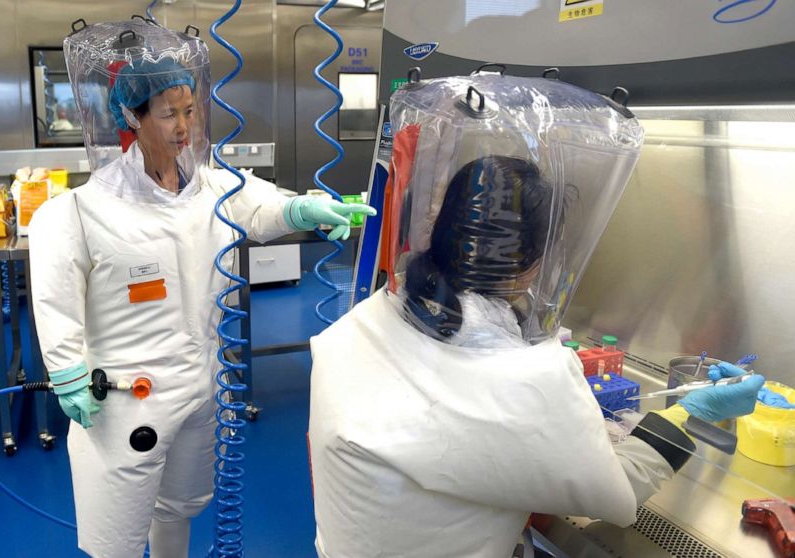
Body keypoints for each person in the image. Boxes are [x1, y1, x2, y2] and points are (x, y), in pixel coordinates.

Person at [307, 74, 764, 558]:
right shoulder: (524, 378)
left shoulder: (371, 318)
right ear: (533, 260)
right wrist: (693, 414)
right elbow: (617, 496)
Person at [28, 20, 373, 558]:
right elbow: (54, 298)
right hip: (125, 400)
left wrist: (304, 207)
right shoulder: (77, 211)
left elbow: (261, 206)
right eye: (167, 114)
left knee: (180, 508)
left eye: (190, 111)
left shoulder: (211, 186)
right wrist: (68, 371)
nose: (183, 127)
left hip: (204, 386)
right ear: (131, 117)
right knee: (115, 535)